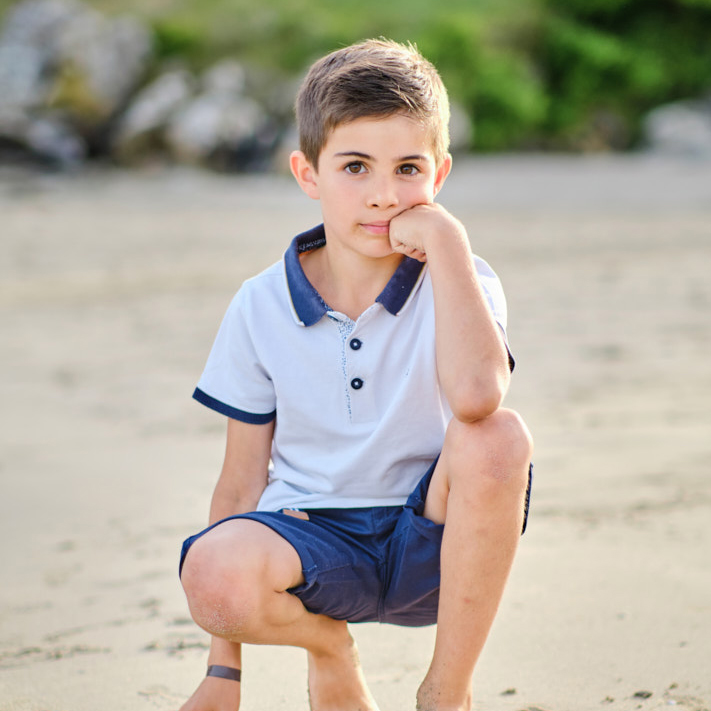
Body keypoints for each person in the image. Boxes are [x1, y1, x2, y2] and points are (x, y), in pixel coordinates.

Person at [177, 38, 533, 711]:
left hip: (431, 541)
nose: (382, 196)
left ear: (440, 175)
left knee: (499, 436)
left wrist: (447, 242)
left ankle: (445, 693)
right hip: (312, 540)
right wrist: (223, 671)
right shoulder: (260, 304)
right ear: (307, 173)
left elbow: (476, 395)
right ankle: (329, 649)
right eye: (354, 167)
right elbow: (239, 481)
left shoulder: (463, 278)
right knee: (213, 573)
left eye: (407, 168)